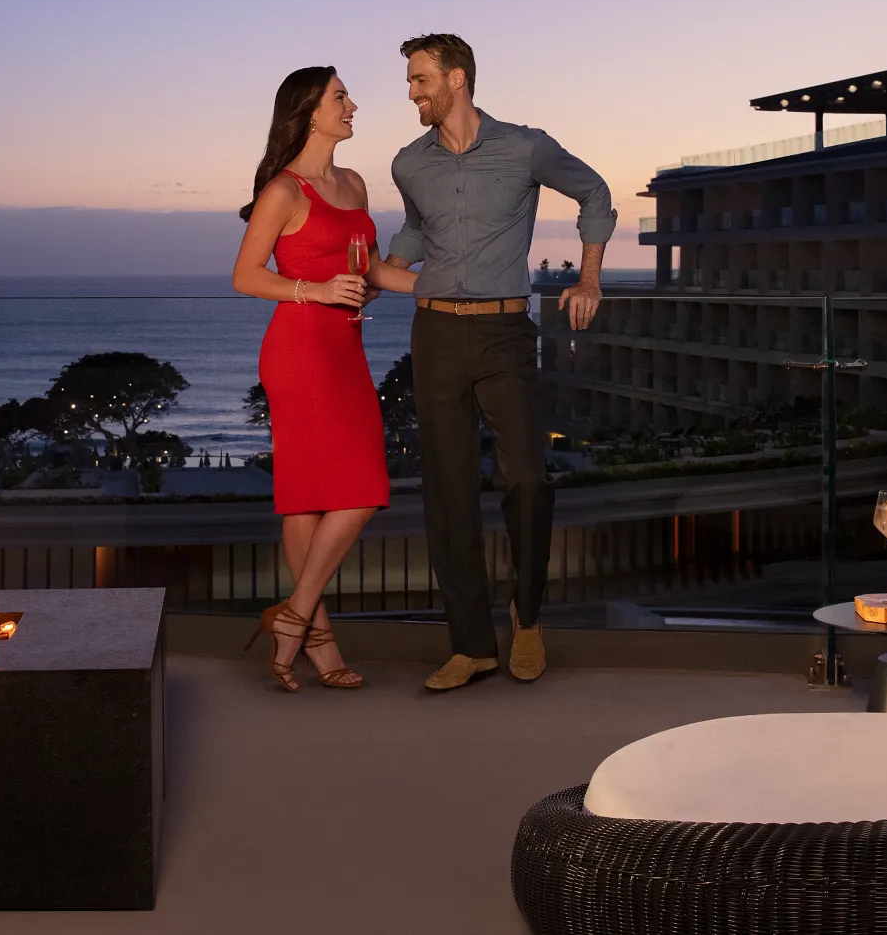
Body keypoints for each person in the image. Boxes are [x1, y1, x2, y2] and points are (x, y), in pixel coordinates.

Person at [384, 34, 615, 691]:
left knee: (528, 480)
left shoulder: (525, 146)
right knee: (447, 489)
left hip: (506, 332)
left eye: (420, 79)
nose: (412, 92)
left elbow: (595, 192)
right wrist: (389, 263)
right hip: (434, 335)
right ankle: (471, 644)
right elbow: (416, 228)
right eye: (409, 81)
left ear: (456, 78)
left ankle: (528, 614)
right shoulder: (409, 163)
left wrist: (590, 278)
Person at [233, 66, 418, 691]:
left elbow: (366, 272)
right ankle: (299, 624)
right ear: (309, 111)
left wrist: (451, 288)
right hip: (299, 350)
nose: (353, 105)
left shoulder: (354, 183)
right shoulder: (283, 192)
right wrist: (315, 289)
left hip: (346, 346)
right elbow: (246, 276)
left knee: (315, 496)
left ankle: (309, 633)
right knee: (358, 489)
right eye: (341, 97)